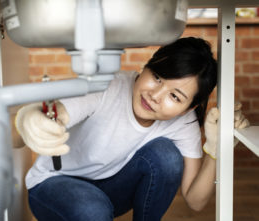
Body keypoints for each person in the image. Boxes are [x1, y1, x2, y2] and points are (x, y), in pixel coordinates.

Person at [15, 37, 249, 221]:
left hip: (110, 190)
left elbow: (195, 201)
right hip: (52, 186)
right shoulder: (108, 85)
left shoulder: (183, 122)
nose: (155, 96)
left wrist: (214, 149)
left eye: (175, 96)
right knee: (93, 210)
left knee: (167, 156)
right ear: (147, 65)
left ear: (189, 108)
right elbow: (59, 113)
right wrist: (29, 119)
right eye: (157, 77)